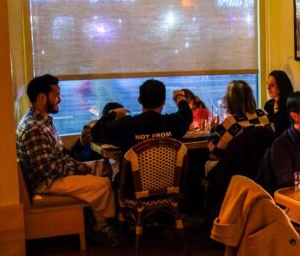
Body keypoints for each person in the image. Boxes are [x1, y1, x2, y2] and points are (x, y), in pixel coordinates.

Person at [16, 74, 120, 246]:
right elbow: (46, 169)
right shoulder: (34, 128)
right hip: (46, 182)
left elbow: (59, 156)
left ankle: (96, 217)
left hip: (55, 174)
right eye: (56, 95)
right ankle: (101, 227)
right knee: (103, 185)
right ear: (42, 97)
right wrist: (75, 169)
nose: (60, 100)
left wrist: (76, 165)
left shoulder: (42, 122)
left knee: (105, 167)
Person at [92, 79, 193, 152]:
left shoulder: (126, 125)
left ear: (139, 100)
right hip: (169, 176)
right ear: (163, 101)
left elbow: (96, 131)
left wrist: (113, 113)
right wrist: (179, 96)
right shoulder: (173, 123)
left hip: (132, 176)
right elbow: (187, 114)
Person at [207, 80, 270, 172]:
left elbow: (213, 153)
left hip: (235, 172)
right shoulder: (264, 114)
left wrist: (213, 129)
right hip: (263, 169)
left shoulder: (232, 122)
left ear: (230, 100)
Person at [263, 70, 294, 138]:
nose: (268, 88)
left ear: (281, 85)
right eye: (267, 84)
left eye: (272, 85)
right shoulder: (268, 104)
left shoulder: (291, 104)